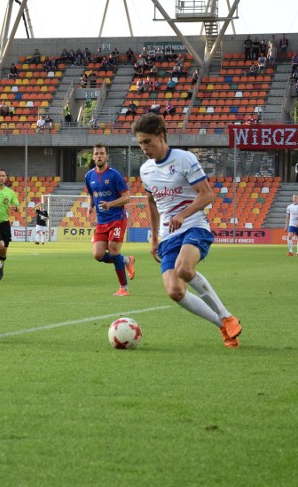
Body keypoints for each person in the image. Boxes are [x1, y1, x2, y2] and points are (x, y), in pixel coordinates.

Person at [133, 113, 242, 348]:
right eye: (140, 143)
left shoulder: (184, 159)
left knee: (184, 268)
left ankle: (227, 315)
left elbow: (207, 195)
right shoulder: (145, 170)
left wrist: (182, 215)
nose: (144, 148)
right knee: (174, 290)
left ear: (160, 136)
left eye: (147, 141)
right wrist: (153, 237)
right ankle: (223, 326)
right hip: (168, 234)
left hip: (194, 226)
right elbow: (152, 202)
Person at [85, 144, 136, 296]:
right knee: (98, 255)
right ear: (93, 157)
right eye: (96, 154)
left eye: (102, 153)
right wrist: (90, 206)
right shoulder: (89, 176)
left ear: (107, 156)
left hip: (117, 218)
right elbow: (92, 194)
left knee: (113, 251)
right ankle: (126, 260)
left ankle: (124, 288)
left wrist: (110, 204)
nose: (99, 156)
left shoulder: (114, 175)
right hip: (101, 221)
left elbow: (127, 197)